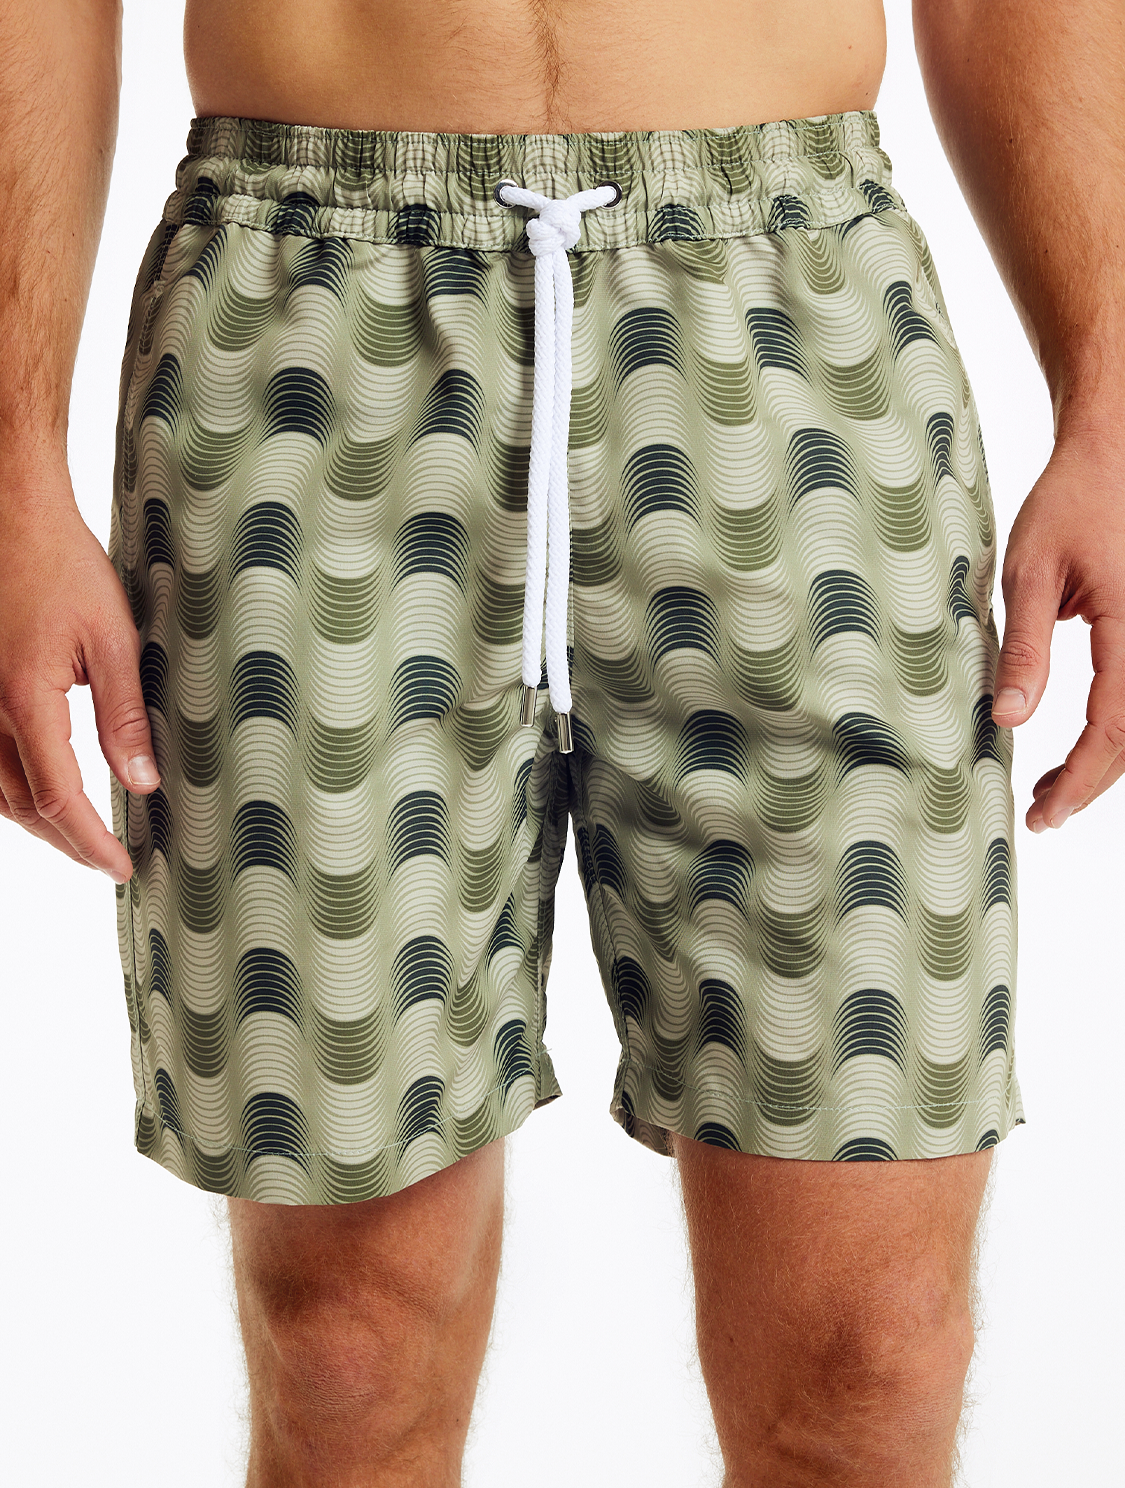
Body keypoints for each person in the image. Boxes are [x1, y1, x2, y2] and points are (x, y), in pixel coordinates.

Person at [1, 0, 1122, 1482]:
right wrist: (12, 468)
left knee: (872, 1356)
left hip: (790, 339)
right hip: (305, 336)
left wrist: (1111, 403)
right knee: (346, 1351)